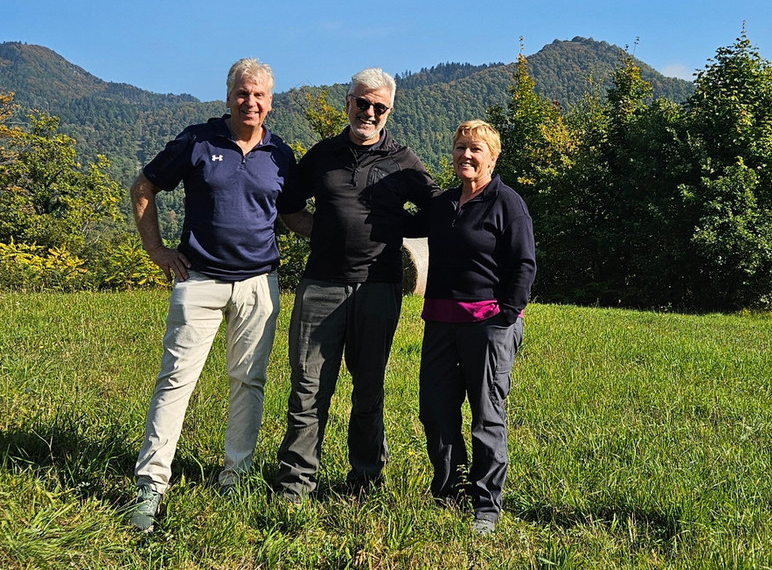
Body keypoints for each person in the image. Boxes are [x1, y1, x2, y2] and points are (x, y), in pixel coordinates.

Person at [127, 58, 309, 533]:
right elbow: (144, 185)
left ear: (271, 102)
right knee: (176, 380)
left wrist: (350, 232)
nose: (251, 102)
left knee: (249, 382)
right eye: (242, 93)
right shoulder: (198, 140)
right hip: (199, 279)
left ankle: (236, 476)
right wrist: (156, 249)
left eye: (259, 95)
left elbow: (294, 216)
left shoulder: (280, 154)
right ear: (228, 96)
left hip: (259, 284)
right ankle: (151, 484)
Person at [274, 67, 439, 501]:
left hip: (378, 287)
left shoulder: (404, 161)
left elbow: (435, 211)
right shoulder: (322, 155)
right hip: (320, 285)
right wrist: (323, 232)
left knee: (368, 388)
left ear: (389, 111)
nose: (369, 112)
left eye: (378, 107)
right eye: (362, 102)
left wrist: (395, 227)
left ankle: (365, 482)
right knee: (308, 388)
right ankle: (295, 486)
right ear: (347, 102)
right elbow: (289, 205)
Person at [418, 120, 536, 535]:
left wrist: (506, 316)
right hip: (440, 322)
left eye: (476, 149)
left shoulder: (507, 203)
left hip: (488, 324)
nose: (466, 155)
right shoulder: (443, 204)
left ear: (493, 157)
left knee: (486, 415)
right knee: (435, 410)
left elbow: (524, 263)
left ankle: (486, 505)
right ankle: (449, 490)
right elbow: (401, 225)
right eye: (460, 148)